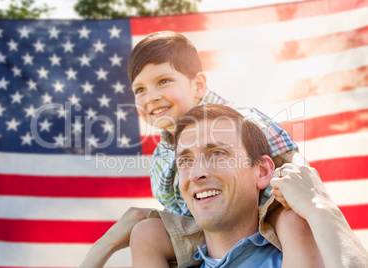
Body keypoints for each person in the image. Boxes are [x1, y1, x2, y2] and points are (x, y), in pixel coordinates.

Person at [80, 31, 320, 267]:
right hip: (205, 221)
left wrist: (306, 189)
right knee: (146, 233)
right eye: (140, 89)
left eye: (163, 81)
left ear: (198, 85)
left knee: (293, 222)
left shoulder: (233, 118)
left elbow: (288, 153)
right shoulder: (162, 154)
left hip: (264, 211)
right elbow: (174, 208)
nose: (151, 97)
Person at [164, 104, 367, 267]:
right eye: (185, 161)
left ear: (261, 172)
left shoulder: (304, 255)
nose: (197, 173)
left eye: (218, 154)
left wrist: (319, 206)